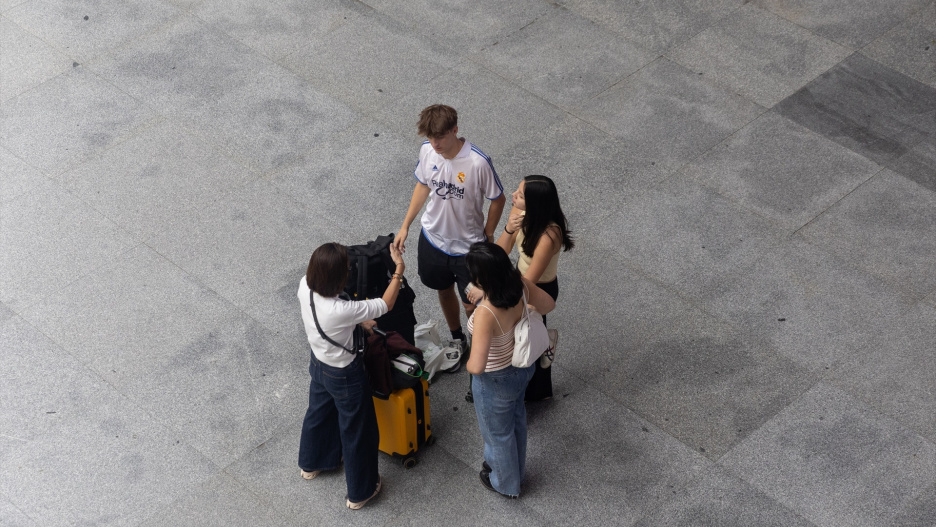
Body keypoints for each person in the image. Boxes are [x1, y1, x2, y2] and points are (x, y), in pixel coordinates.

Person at [297, 241, 406, 510]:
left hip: (319, 364)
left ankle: (312, 464)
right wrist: (399, 268)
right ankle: (361, 492)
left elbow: (339, 320)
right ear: (338, 278)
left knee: (318, 413)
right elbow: (387, 303)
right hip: (345, 374)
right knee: (358, 430)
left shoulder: (304, 287)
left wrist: (359, 322)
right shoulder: (342, 310)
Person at [393, 104, 506, 351]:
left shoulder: (478, 162)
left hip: (468, 248)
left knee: (471, 304)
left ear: (455, 130)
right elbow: (423, 185)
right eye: (431, 138)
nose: (436, 144)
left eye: (441, 137)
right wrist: (405, 226)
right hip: (433, 240)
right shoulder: (427, 152)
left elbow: (498, 198)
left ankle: (481, 344)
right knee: (443, 291)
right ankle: (458, 338)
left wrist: (488, 232)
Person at [468, 175, 574, 400]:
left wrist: (486, 291)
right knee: (518, 333)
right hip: (518, 277)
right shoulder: (518, 212)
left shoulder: (549, 235)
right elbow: (500, 253)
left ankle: (537, 388)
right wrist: (508, 229)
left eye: (521, 195)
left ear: (535, 203)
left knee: (528, 335)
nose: (514, 196)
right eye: (517, 191)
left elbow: (530, 280)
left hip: (538, 286)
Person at [464, 242, 555, 498]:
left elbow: (477, 365)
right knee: (516, 420)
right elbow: (548, 304)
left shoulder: (485, 313)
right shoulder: (520, 284)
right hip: (523, 368)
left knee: (497, 434)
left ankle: (504, 484)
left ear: (482, 278)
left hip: (495, 380)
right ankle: (516, 471)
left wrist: (467, 363)